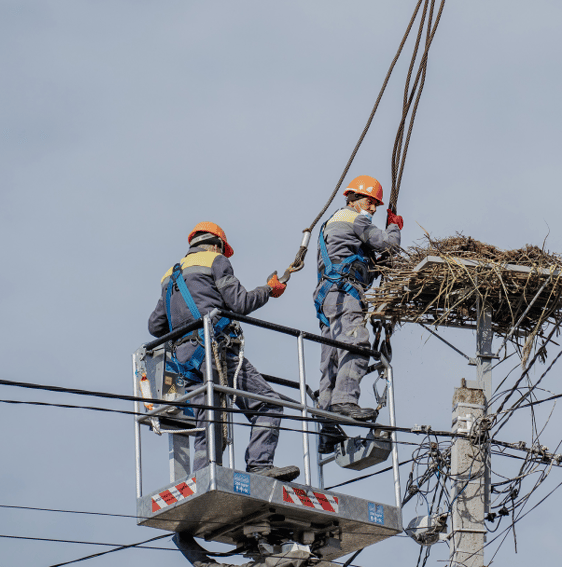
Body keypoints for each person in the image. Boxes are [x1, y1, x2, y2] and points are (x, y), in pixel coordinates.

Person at [148, 221, 300, 481]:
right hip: (216, 351)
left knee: (208, 422)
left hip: (186, 361)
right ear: (217, 245)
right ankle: (260, 466)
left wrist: (187, 331)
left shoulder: (169, 275)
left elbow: (155, 326)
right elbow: (240, 303)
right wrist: (268, 290)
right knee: (268, 405)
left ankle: (204, 476)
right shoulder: (216, 261)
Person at [313, 176, 403, 443]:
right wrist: (394, 227)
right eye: (370, 201)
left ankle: (327, 427)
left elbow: (368, 260)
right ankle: (344, 401)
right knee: (358, 344)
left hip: (328, 298)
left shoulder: (334, 223)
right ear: (352, 198)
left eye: (376, 203)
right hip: (345, 294)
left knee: (331, 360)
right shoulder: (355, 219)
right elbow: (388, 244)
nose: (373, 208)